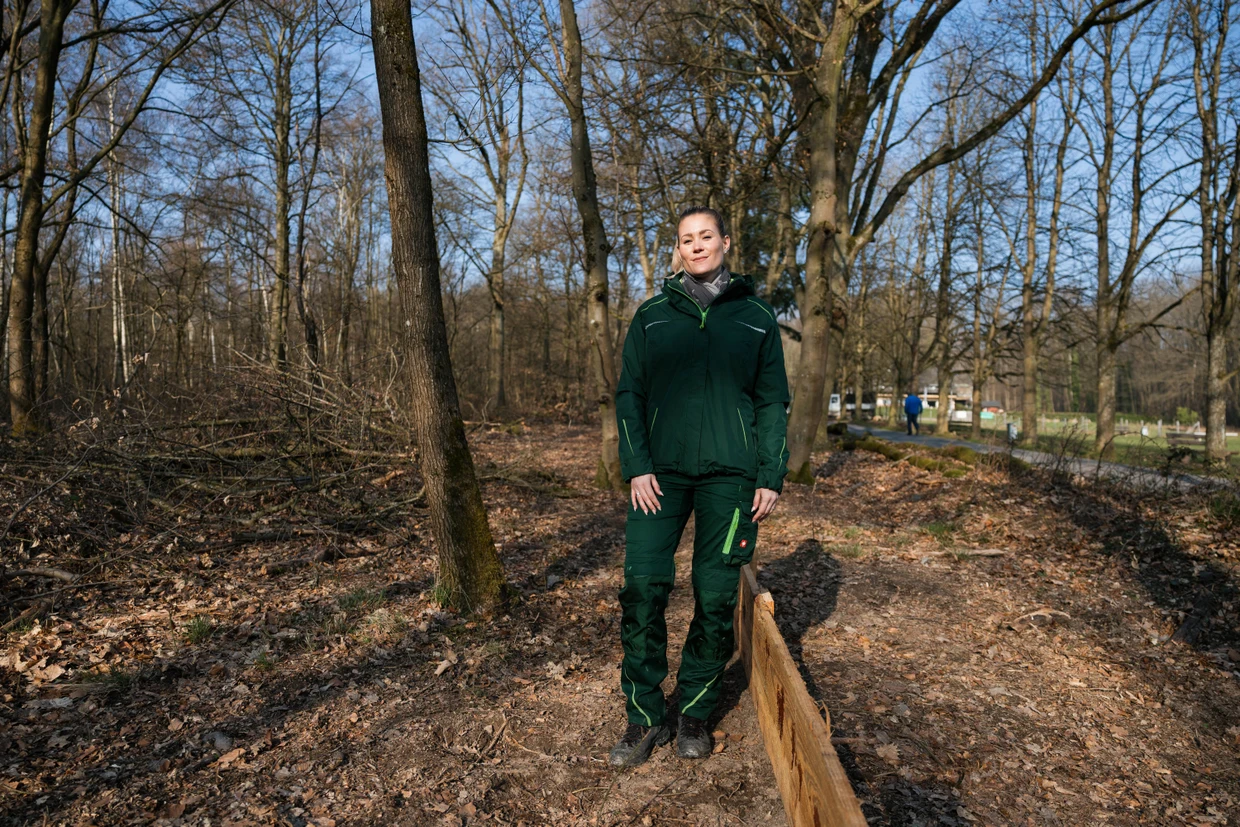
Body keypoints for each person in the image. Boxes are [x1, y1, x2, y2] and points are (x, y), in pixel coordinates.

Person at [609, 206, 790, 767]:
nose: (696, 246)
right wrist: (637, 464)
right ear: (679, 249)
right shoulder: (654, 316)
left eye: (705, 236)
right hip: (657, 478)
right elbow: (629, 396)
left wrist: (770, 473)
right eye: (686, 239)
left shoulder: (757, 318)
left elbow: (772, 401)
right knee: (643, 587)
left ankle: (693, 711)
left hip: (732, 480)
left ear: (725, 242)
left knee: (714, 597)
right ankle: (643, 716)